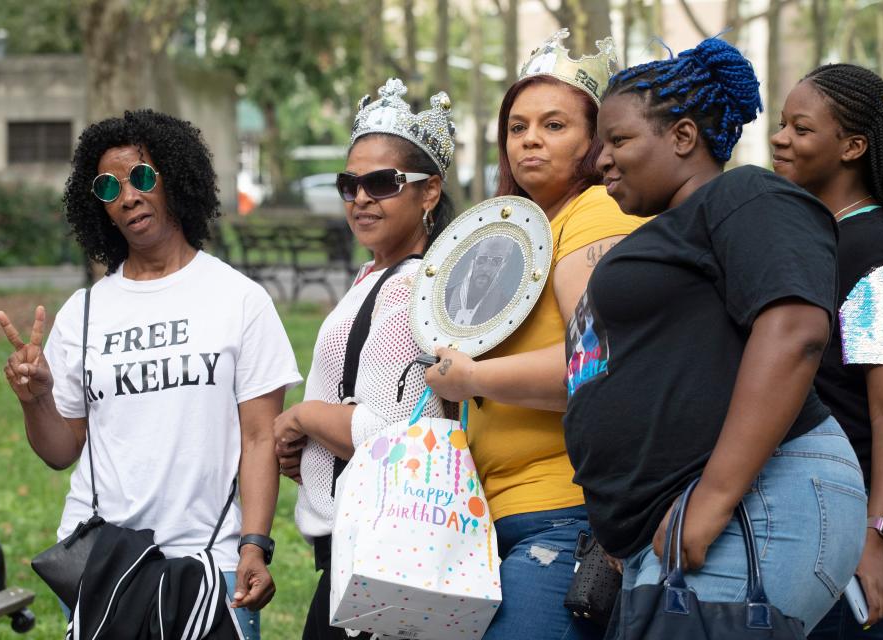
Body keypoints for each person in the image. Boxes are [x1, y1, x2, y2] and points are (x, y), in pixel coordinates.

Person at [563, 37, 867, 632]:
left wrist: (715, 498)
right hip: (675, 527)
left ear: (682, 137)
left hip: (751, 504)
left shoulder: (745, 195)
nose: (600, 160)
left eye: (619, 140)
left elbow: (796, 329)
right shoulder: (673, 231)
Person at [0, 109, 301, 640]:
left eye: (140, 177)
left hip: (211, 561)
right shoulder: (85, 312)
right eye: (108, 187)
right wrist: (35, 399)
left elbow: (259, 439)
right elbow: (59, 451)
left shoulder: (240, 301)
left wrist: (254, 544)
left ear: (174, 180)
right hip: (103, 563)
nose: (128, 196)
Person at [424, 30, 646, 640]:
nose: (529, 140)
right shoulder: (517, 229)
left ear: (595, 140)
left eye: (554, 125)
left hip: (562, 513)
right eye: (517, 126)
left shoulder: (595, 211)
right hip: (493, 513)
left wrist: (470, 378)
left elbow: (596, 366)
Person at [272, 78, 454, 640]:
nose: (360, 198)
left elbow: (390, 437)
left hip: (383, 548)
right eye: (349, 184)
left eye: (382, 183)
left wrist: (300, 419)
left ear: (429, 192)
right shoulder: (374, 277)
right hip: (356, 548)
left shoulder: (416, 286)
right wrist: (310, 454)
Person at [771, 64, 883, 638]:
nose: (780, 138)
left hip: (862, 522)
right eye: (781, 125)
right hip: (816, 508)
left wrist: (875, 537)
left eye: (800, 129)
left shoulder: (870, 246)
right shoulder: (814, 231)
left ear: (852, 146)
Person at [444, 236, 522, 326]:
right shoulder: (446, 297)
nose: (486, 268)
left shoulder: (506, 307)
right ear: (474, 257)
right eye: (482, 259)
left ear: (504, 264)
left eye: (496, 262)